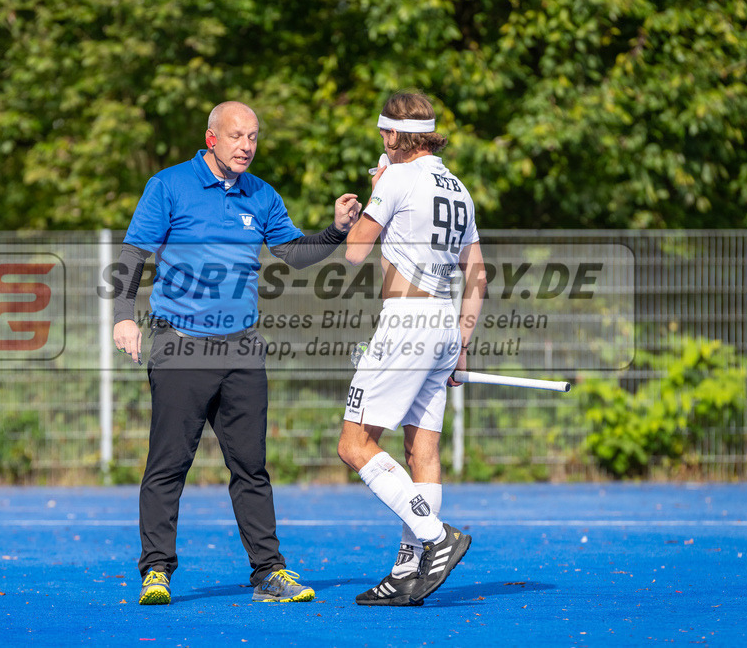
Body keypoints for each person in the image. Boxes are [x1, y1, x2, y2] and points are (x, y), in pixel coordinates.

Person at [112, 100, 362, 605]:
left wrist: (337, 229)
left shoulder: (262, 194)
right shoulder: (168, 185)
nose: (246, 145)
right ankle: (156, 569)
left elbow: (294, 254)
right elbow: (133, 253)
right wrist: (122, 315)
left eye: (252, 136)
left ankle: (269, 573)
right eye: (236, 136)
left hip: (243, 348)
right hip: (181, 345)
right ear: (212, 139)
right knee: (168, 465)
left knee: (251, 468)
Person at [339, 91, 487, 606]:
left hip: (406, 322)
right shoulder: (460, 189)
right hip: (444, 322)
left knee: (354, 444)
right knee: (420, 449)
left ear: (393, 135)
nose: (382, 142)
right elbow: (478, 273)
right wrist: (461, 342)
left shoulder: (397, 179)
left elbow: (355, 250)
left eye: (384, 134)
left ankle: (436, 536)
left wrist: (373, 196)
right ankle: (408, 571)